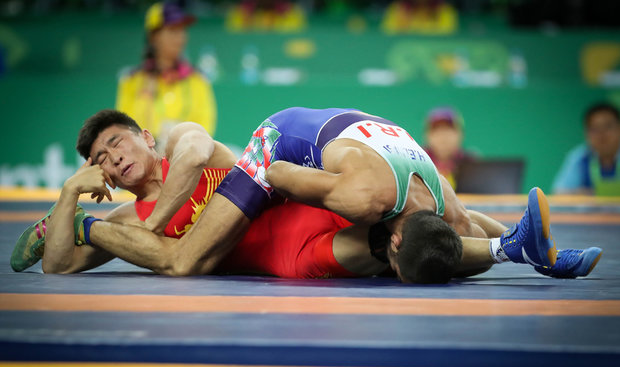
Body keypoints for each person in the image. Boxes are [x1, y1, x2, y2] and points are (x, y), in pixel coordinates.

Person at [11, 109, 601, 282]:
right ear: (103, 177)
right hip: (288, 256)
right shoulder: (123, 217)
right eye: (99, 161)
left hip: (292, 204)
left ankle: (523, 244)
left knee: (419, 217)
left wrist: (157, 225)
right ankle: (513, 250)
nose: (111, 158)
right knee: (397, 249)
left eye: (116, 143)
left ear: (143, 135)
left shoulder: (179, 140)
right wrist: (69, 202)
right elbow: (59, 266)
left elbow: (191, 155)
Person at [116, 1, 217, 153]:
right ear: (153, 37)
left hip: (186, 159)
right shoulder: (132, 81)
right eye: (172, 30)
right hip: (145, 161)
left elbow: (205, 129)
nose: (180, 37)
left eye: (182, 30)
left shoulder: (198, 80)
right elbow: (126, 129)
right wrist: (146, 95)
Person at [552, 102, 620, 196]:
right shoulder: (580, 157)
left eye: (608, 126)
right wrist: (581, 194)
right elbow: (559, 193)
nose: (602, 134)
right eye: (595, 129)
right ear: (586, 133)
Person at [422, 106, 476, 189]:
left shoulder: (471, 164)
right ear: (427, 135)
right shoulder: (419, 162)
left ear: (460, 134)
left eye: (448, 130)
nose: (443, 136)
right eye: (437, 130)